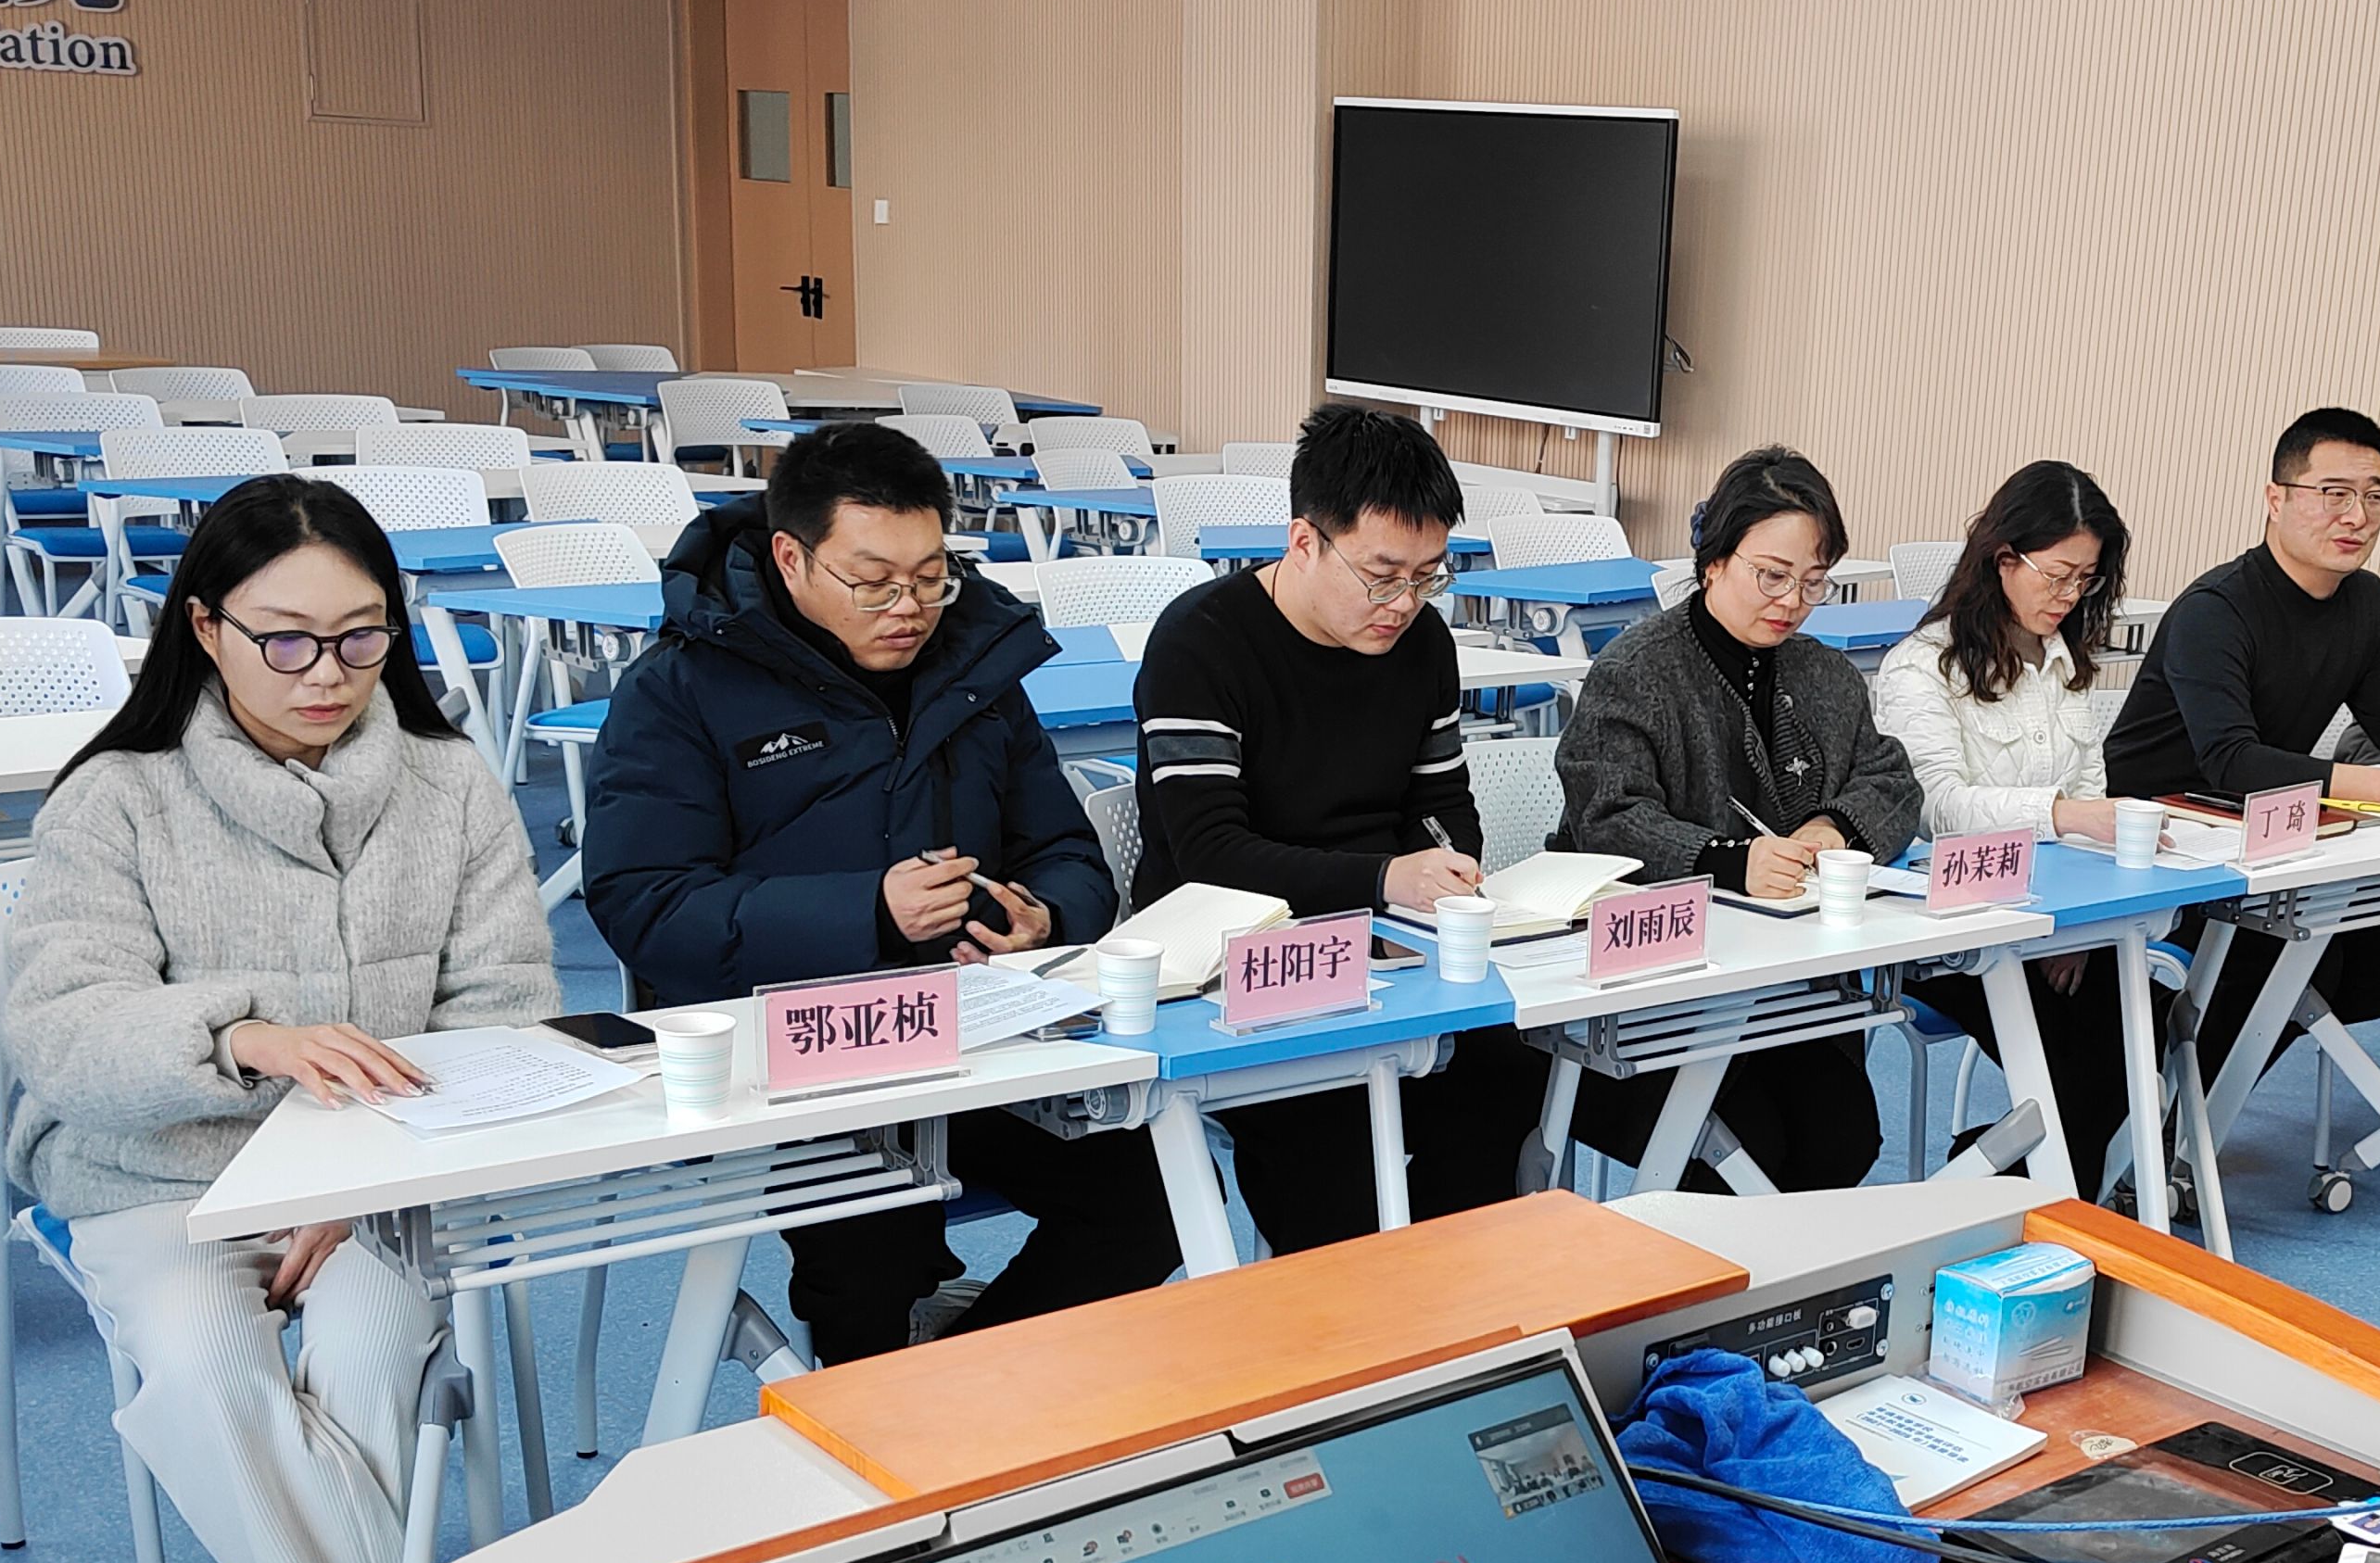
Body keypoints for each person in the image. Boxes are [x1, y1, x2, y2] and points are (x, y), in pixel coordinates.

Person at [9, 476, 559, 1563]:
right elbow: (62, 1030)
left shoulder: (449, 783)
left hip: (389, 1175)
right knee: (207, 1365)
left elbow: (506, 1014)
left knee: (366, 1361)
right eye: (288, 640)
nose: (328, 673)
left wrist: (364, 1181)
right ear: (206, 628)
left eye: (362, 637)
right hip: (164, 1175)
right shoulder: (118, 796)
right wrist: (239, 1038)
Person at [584, 420, 1178, 1360]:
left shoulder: (976, 667)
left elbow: (1063, 848)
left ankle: (957, 1385)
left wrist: (1046, 915)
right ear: (792, 558)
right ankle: (901, 1404)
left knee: (1150, 1205)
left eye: (931, 577)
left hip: (978, 1032)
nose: (908, 608)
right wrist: (866, 911)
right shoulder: (682, 687)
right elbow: (644, 903)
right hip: (795, 1052)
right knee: (870, 1273)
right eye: (873, 582)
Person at [1127, 402, 1546, 1247]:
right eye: (1382, 576)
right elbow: (1210, 855)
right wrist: (1383, 882)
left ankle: (1442, 1295)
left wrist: (1447, 867)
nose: (1404, 603)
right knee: (1331, 1167)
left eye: (1428, 576)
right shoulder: (1200, 645)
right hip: (1240, 967)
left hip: (1391, 953)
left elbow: (1443, 805)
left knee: (1511, 1074)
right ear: (1304, 542)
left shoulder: (1422, 642)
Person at [2101, 408, 2380, 1179]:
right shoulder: (2216, 609)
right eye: (2334, 493)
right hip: (2164, 845)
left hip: (2271, 838)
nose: (2357, 516)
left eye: (2375, 496)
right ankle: (2151, 1149)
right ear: (2276, 498)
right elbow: (2229, 761)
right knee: (2282, 953)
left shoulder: (2367, 602)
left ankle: (2183, 1125)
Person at [1555, 446, 1924, 1191]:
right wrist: (1728, 859)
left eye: (1813, 582)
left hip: (1786, 985)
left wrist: (1830, 830)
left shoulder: (1823, 672)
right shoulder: (1637, 669)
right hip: (1654, 995)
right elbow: (1607, 817)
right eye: (1772, 575)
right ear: (1715, 560)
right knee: (1741, 1152)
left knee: (1845, 1137)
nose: (1791, 601)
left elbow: (1893, 782)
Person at [1872, 460, 2147, 1193]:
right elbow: (1934, 807)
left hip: (2053, 919)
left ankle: (1998, 1184)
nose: (2070, 596)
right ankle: (2015, 1201)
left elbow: (2092, 791)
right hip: (1950, 926)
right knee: (2083, 1060)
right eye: (2056, 575)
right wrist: (2060, 815)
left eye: (2085, 579)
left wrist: (2082, 927)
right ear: (2003, 559)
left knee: (2147, 1029)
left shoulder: (2063, 660)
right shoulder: (1921, 667)